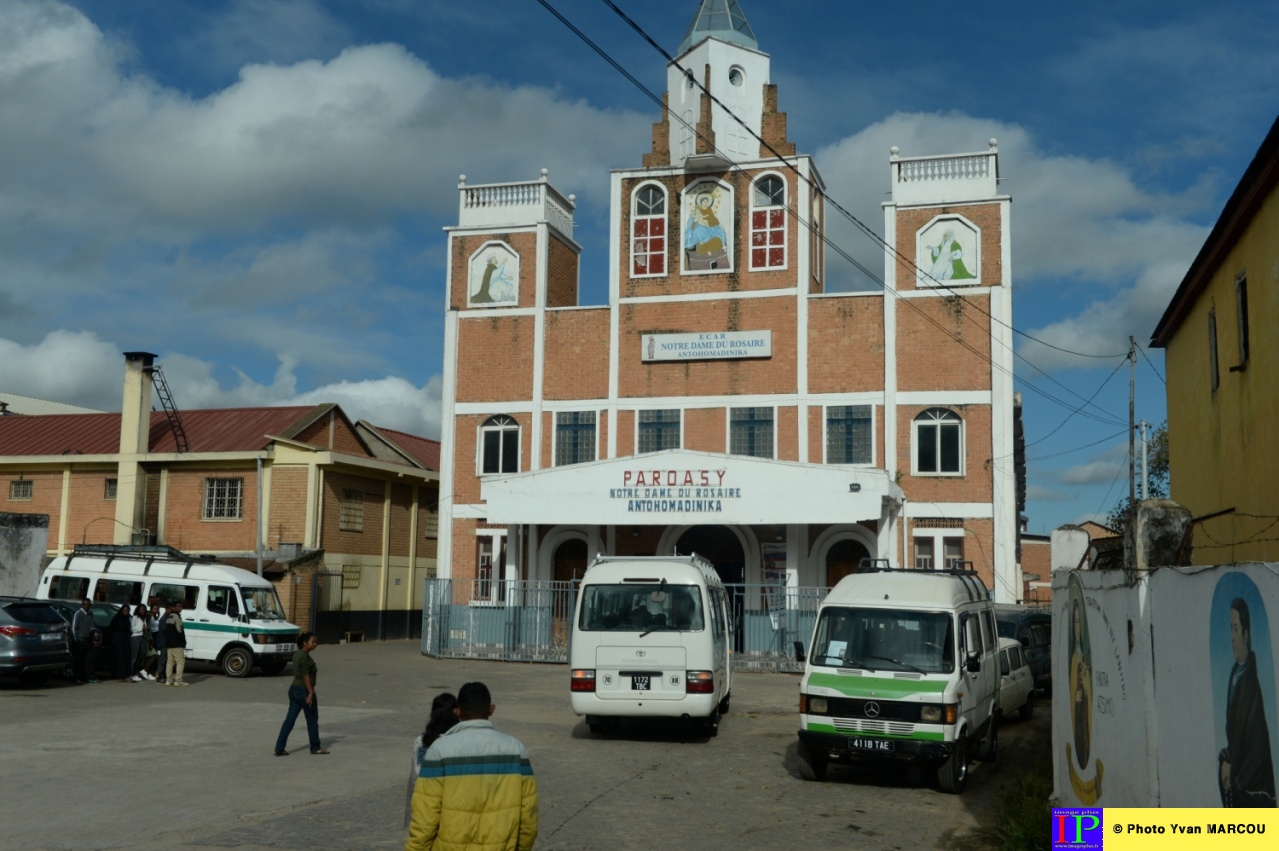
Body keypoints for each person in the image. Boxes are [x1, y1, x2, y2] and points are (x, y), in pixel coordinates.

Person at [405, 681, 538, 851]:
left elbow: (424, 822)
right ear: (491, 709)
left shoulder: (439, 750)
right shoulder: (517, 750)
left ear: (458, 711)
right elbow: (529, 820)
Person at [1218, 597, 1277, 807]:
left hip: (1254, 790)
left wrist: (1233, 773)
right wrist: (1226, 758)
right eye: (1230, 629)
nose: (1232, 637)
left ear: (1246, 634)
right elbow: (1236, 737)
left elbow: (1257, 746)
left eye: (1236, 629)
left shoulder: (1251, 683)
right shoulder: (1236, 674)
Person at [405, 693, 459, 828]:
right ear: (457, 713)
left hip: (426, 809)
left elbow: (417, 776)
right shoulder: (462, 741)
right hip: (455, 811)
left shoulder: (422, 741)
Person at [274, 632, 328, 756]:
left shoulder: (297, 654)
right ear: (305, 642)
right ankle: (315, 747)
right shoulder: (304, 657)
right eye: (312, 641)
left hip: (294, 690)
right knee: (312, 720)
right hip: (304, 691)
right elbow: (305, 675)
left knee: (289, 721)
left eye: (316, 642)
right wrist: (310, 692)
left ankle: (279, 748)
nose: (315, 644)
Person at [70, 598, 97, 684]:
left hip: (87, 640)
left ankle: (90, 677)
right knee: (79, 660)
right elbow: (74, 628)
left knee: (89, 659)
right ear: (82, 605)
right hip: (79, 640)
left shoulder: (90, 614)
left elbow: (90, 626)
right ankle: (77, 678)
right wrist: (76, 640)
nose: (86, 606)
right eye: (85, 605)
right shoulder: (78, 614)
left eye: (88, 605)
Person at [163, 601, 188, 687]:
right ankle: (178, 680)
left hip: (169, 643)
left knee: (170, 662)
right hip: (177, 644)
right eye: (178, 606)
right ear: (174, 607)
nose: (180, 608)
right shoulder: (177, 617)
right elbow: (179, 631)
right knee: (180, 661)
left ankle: (168, 680)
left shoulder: (169, 617)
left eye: (181, 606)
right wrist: (183, 641)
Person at [108, 603, 132, 682]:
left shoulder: (128, 618)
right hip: (119, 640)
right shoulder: (117, 618)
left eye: (127, 611)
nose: (126, 613)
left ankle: (127, 674)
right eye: (125, 611)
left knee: (127, 657)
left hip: (126, 640)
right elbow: (111, 629)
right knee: (121, 658)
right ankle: (122, 675)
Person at [128, 603, 150, 682]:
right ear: (138, 610)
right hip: (136, 637)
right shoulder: (135, 617)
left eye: (144, 610)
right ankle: (131, 674)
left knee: (139, 657)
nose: (143, 611)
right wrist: (142, 628)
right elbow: (132, 628)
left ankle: (135, 673)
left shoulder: (144, 618)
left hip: (142, 637)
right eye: (141, 609)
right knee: (134, 657)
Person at [148, 602, 167, 682]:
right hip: (152, 635)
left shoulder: (156, 616)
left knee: (157, 656)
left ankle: (153, 672)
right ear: (151, 609)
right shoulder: (149, 616)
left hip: (157, 635)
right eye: (155, 608)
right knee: (153, 655)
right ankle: (148, 672)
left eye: (157, 609)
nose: (156, 610)